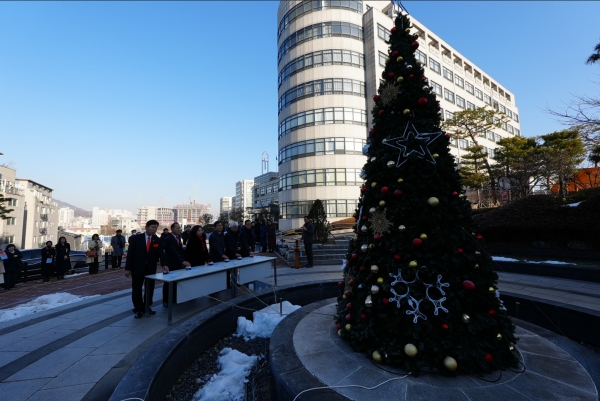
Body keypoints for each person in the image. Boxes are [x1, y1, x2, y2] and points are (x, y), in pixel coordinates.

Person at [125, 220, 167, 318]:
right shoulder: (136, 239)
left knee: (150, 288)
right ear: (146, 227)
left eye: (155, 228)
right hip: (137, 268)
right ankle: (138, 309)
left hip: (151, 268)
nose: (154, 230)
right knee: (137, 289)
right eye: (152, 227)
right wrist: (128, 268)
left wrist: (164, 264)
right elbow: (130, 254)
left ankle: (147, 306)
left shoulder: (157, 239)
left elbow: (161, 253)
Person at [162, 222, 191, 307]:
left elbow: (180, 251)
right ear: (172, 229)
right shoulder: (168, 239)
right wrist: (182, 261)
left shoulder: (179, 237)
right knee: (168, 283)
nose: (179, 229)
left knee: (177, 282)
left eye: (179, 228)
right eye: (177, 228)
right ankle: (166, 300)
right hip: (171, 264)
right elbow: (173, 252)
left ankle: (175, 298)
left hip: (178, 263)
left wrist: (183, 260)